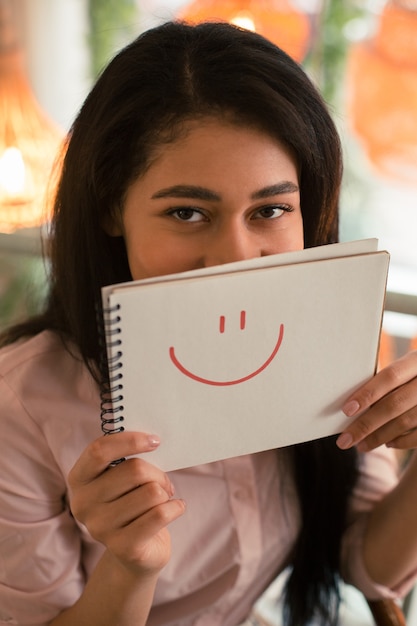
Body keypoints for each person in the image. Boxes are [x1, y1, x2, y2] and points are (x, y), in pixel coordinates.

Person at [0, 20, 417, 626]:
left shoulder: (328, 338)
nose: (234, 258)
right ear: (113, 207)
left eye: (270, 209)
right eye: (188, 212)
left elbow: (364, 566)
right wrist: (129, 566)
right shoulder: (22, 411)